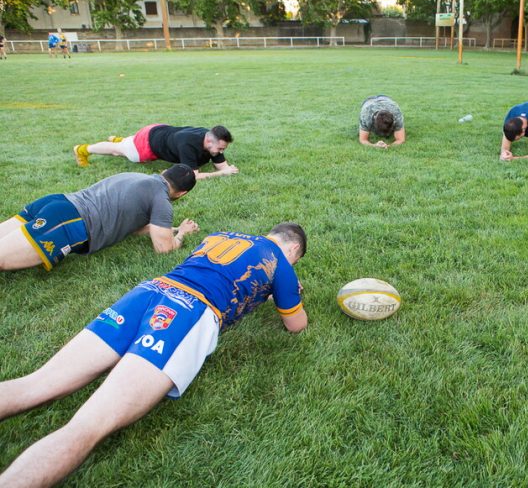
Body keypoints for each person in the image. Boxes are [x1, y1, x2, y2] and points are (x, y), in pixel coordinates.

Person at [0, 223, 308, 486]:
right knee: (88, 424)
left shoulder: (223, 235)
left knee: (36, 383)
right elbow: (296, 325)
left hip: (148, 292)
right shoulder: (280, 261)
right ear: (293, 249)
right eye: (295, 260)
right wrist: (286, 287)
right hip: (188, 311)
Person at [0, 164, 199, 272]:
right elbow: (164, 249)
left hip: (57, 202)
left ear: (163, 172)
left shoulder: (135, 176)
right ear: (182, 193)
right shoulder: (162, 200)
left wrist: (169, 229)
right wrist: (181, 233)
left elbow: (134, 226)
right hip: (69, 222)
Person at [73, 125, 238, 180]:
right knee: (118, 151)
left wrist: (226, 169)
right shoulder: (188, 145)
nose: (221, 152)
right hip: (146, 144)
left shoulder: (211, 139)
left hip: (159, 130)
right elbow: (193, 176)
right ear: (209, 141)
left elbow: (222, 165)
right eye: (220, 149)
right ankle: (83, 149)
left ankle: (122, 140)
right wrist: (222, 173)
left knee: (126, 145)